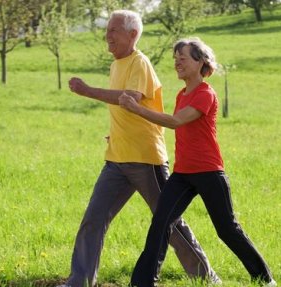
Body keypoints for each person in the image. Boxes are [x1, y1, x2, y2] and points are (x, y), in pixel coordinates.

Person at [59, 10, 219, 287]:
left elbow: (127, 99)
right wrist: (116, 134)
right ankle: (79, 282)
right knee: (93, 219)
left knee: (169, 223)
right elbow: (126, 112)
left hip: (146, 159)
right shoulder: (115, 65)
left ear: (133, 34)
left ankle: (206, 278)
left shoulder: (139, 63)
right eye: (107, 30)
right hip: (116, 160)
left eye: (114, 30)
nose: (107, 36)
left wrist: (87, 90)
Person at [119, 37, 277, 287]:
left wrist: (137, 109)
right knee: (160, 223)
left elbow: (175, 121)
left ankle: (265, 279)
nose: (177, 62)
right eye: (175, 58)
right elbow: (172, 124)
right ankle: (142, 282)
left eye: (183, 57)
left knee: (227, 230)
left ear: (201, 61)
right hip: (182, 174)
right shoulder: (182, 94)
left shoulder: (205, 93)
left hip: (209, 172)